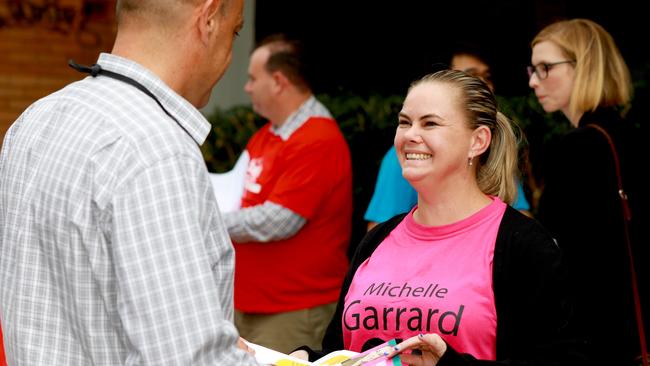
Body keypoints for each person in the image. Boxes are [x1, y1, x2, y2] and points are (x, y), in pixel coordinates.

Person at [0, 0, 260, 364]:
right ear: (209, 18)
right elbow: (187, 358)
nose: (230, 55)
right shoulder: (155, 149)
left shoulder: (35, 119)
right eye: (234, 32)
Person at [293, 70, 584, 365]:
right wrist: (308, 358)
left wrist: (448, 363)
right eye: (404, 122)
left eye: (430, 123)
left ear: (478, 141)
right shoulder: (377, 240)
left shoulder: (523, 245)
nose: (409, 135)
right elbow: (343, 352)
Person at [223, 34, 353, 354]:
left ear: (279, 81)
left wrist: (208, 220)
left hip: (293, 310)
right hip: (254, 305)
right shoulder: (267, 135)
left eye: (254, 79)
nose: (247, 87)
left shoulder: (317, 139)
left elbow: (278, 221)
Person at [529, 18, 647, 366]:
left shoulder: (579, 147)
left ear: (586, 66)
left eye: (545, 67)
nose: (534, 81)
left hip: (599, 339)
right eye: (532, 69)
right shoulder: (629, 136)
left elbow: (560, 258)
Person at [364, 46, 530, 230]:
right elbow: (380, 235)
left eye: (487, 77)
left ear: (479, 141)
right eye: (471, 75)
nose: (483, 84)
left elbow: (520, 218)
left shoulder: (497, 148)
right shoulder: (402, 156)